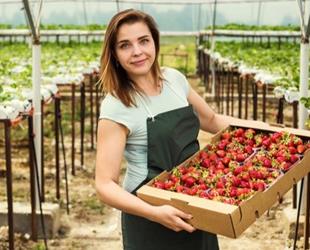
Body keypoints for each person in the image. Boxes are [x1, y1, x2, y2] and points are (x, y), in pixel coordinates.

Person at [95, 8, 230, 250]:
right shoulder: (117, 105)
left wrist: (265, 131)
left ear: (155, 42)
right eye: (125, 45)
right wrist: (154, 213)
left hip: (197, 200)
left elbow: (211, 120)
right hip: (149, 215)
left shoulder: (174, 80)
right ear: (114, 54)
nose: (137, 52)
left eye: (143, 41)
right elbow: (105, 185)